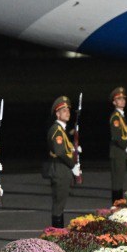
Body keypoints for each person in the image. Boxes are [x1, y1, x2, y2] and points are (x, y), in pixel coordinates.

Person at [46, 96, 79, 229]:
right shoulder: (57, 130)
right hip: (60, 170)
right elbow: (60, 152)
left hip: (62, 169)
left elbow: (64, 148)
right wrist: (73, 165)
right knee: (58, 205)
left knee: (61, 204)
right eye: (63, 110)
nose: (67, 112)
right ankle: (57, 234)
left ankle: (59, 232)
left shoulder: (62, 130)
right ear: (57, 114)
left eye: (68, 110)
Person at [109, 87, 127, 203]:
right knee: (117, 180)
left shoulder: (121, 116)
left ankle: (118, 203)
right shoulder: (116, 117)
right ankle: (116, 204)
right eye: (119, 99)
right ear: (114, 102)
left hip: (120, 151)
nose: (122, 101)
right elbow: (117, 137)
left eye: (123, 98)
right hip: (118, 151)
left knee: (120, 178)